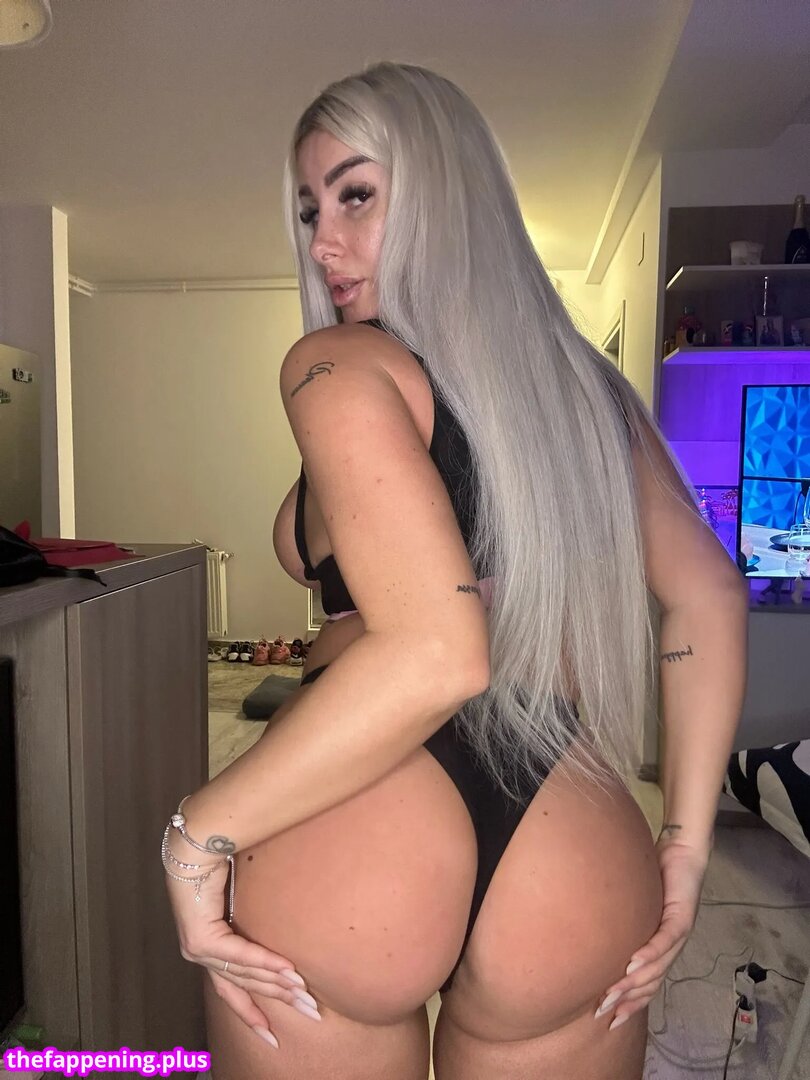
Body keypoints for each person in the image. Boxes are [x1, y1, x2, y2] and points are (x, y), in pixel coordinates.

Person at [164, 62, 749, 1079]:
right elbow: (710, 594)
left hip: (365, 815)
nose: (322, 241)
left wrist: (198, 833)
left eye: (355, 195)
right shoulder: (587, 391)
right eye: (308, 209)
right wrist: (686, 847)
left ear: (444, 191)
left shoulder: (339, 363)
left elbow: (437, 654)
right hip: (562, 829)